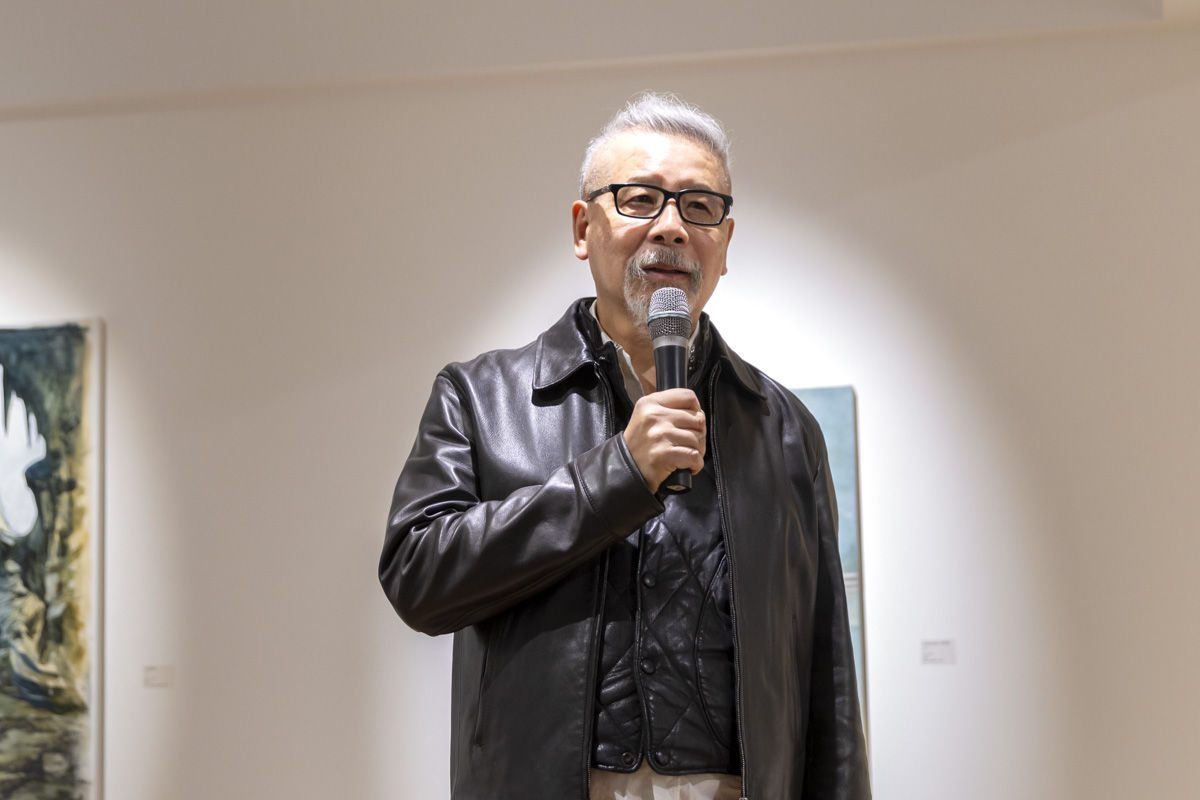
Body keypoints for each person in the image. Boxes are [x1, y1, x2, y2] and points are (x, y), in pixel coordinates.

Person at [380, 93, 871, 800]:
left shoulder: (786, 428)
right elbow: (417, 580)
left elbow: (828, 676)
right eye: (641, 199)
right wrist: (617, 474)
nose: (672, 227)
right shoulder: (481, 397)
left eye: (699, 207)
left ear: (725, 243)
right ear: (585, 228)